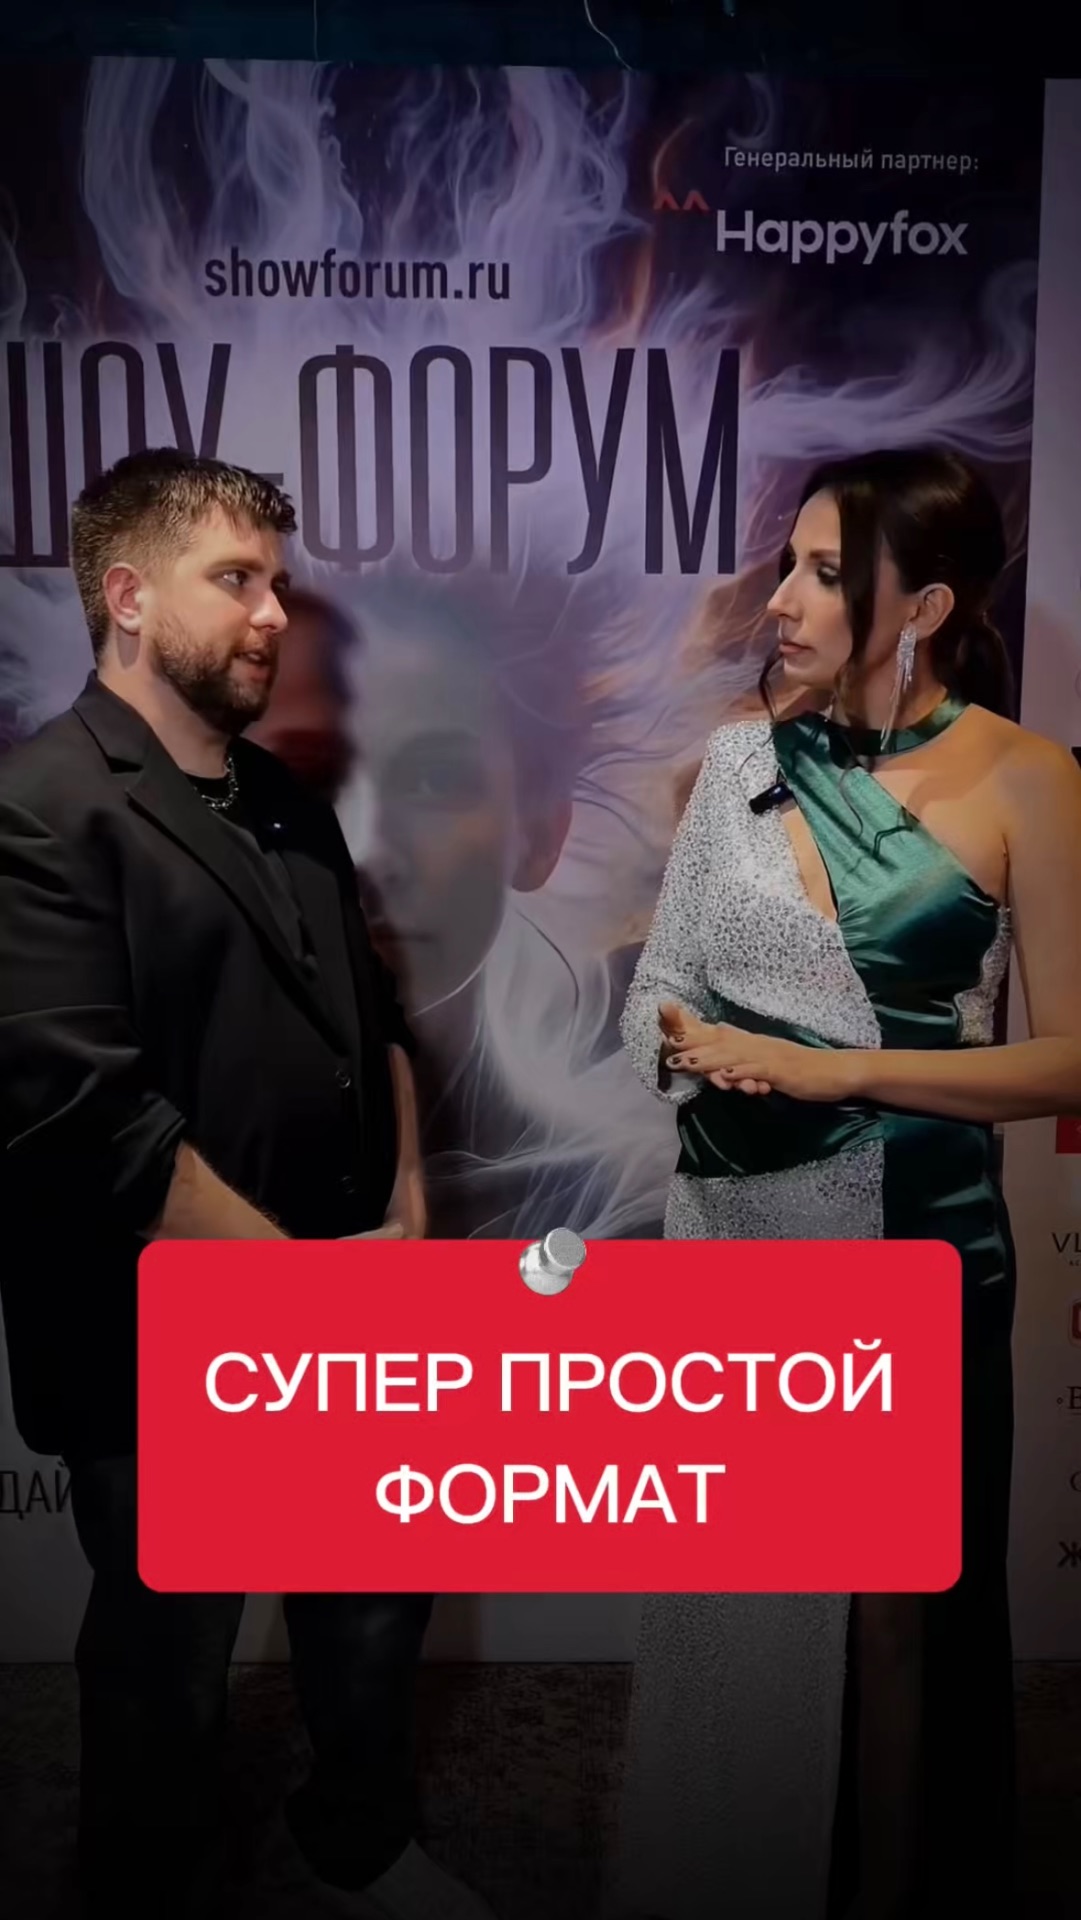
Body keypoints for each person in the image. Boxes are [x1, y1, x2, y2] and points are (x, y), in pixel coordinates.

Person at [0, 448, 493, 1920]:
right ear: (128, 596)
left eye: (277, 581)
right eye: (237, 580)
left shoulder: (283, 798)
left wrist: (408, 1205)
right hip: (161, 1341)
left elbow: (372, 1015)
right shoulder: (40, 805)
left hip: (344, 1304)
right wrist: (301, 1295)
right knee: (167, 1666)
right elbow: (88, 1114)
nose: (275, 613)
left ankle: (359, 1847)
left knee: (368, 1617)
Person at [609, 446, 1081, 1920]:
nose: (784, 601)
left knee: (893, 1620)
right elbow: (658, 993)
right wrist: (688, 1045)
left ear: (922, 606)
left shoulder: (1028, 779)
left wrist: (831, 1071)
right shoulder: (740, 761)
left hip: (914, 1252)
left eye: (827, 573)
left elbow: (1069, 1062)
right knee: (740, 1601)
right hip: (740, 1236)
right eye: (788, 566)